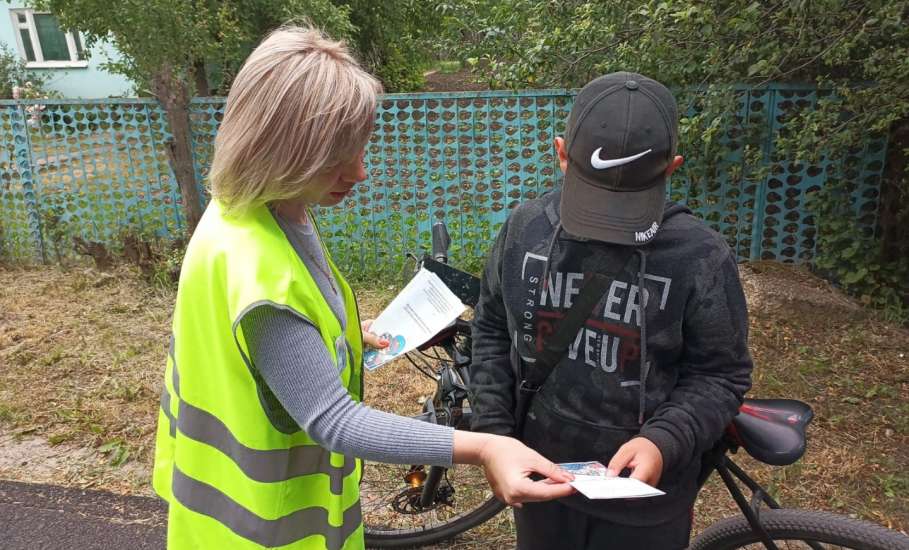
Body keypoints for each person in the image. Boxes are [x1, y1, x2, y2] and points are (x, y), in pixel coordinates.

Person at [152, 26, 573, 550]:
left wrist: (349, 333)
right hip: (264, 531)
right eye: (337, 158)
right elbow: (335, 420)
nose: (360, 172)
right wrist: (486, 447)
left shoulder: (257, 210)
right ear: (279, 149)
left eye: (359, 149)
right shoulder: (258, 271)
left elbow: (273, 347)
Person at [469, 72, 754, 549]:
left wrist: (662, 441)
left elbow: (720, 375)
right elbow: (493, 328)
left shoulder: (700, 257)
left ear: (671, 168)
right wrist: (495, 438)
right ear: (560, 154)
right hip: (545, 487)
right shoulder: (525, 230)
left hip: (646, 506)